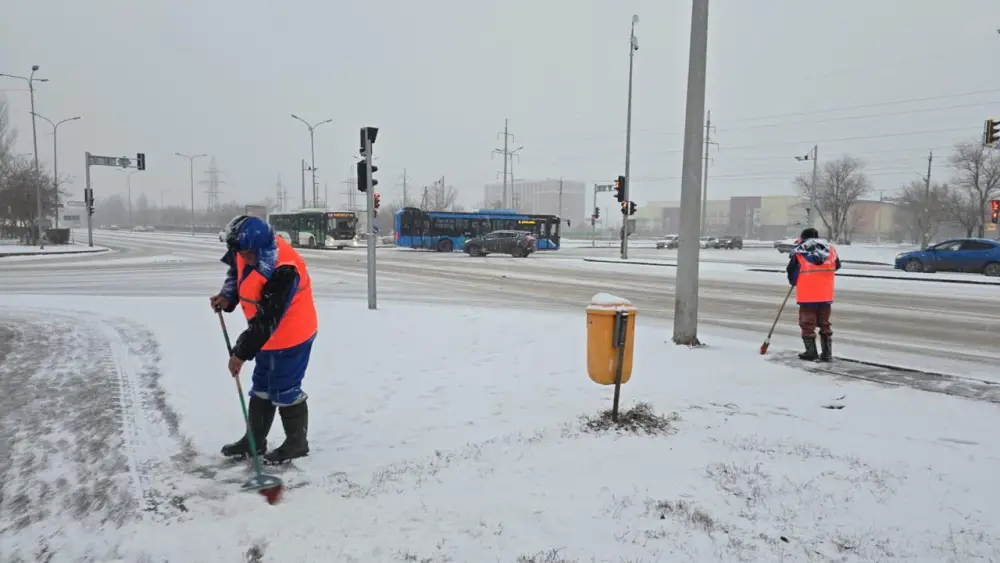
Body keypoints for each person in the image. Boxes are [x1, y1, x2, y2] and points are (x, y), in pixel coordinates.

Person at [210, 215, 318, 464]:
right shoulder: (243, 250)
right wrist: (228, 296)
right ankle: (254, 441)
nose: (244, 258)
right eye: (241, 253)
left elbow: (268, 318)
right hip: (266, 338)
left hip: (292, 335)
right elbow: (236, 273)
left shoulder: (285, 268)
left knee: (284, 388)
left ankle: (296, 443)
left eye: (249, 254)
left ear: (262, 247)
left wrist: (239, 353)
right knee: (262, 386)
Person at [786, 227, 841, 361]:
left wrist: (793, 281)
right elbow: (837, 265)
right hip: (825, 294)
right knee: (824, 323)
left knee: (807, 324)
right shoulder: (830, 250)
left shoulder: (800, 252)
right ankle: (827, 353)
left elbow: (791, 271)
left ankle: (811, 352)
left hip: (808, 295)